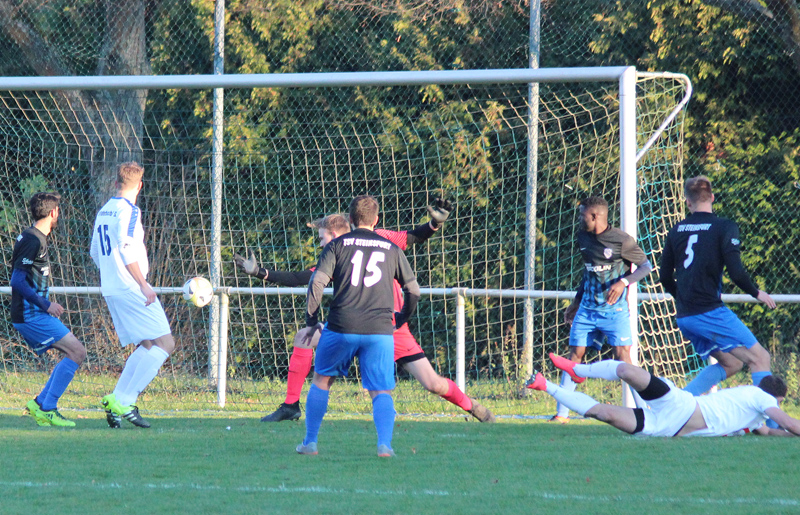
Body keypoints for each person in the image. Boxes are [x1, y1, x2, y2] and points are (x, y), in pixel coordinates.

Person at [234, 200, 495, 423]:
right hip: (374, 323)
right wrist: (260, 272)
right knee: (305, 339)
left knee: (433, 384)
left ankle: (472, 407)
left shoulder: (355, 244)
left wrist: (433, 226)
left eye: (322, 237)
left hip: (386, 326)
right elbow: (304, 276)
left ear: (336, 232)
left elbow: (413, 237)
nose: (321, 242)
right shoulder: (343, 249)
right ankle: (292, 406)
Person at [293, 194, 420, 457]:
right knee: (380, 389)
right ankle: (384, 445)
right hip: (380, 329)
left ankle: (310, 443)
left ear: (350, 220)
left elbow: (317, 283)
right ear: (376, 220)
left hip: (341, 325)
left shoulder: (338, 245)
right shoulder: (391, 249)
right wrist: (401, 319)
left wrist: (312, 322)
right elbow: (414, 290)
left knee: (322, 379)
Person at [660, 176, 776, 396]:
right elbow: (736, 272)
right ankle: (769, 424)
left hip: (685, 316)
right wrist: (756, 292)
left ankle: (679, 405)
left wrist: (683, 298)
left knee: (732, 364)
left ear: (688, 203)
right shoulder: (724, 227)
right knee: (760, 358)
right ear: (712, 197)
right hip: (709, 312)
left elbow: (665, 276)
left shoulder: (676, 230)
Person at [527, 353, 800, 437]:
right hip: (680, 404)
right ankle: (578, 369)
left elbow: (769, 432)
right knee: (627, 371)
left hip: (664, 427)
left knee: (603, 412)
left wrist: (787, 436)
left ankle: (545, 384)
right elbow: (787, 422)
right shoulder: (760, 396)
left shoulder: (754, 414)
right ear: (776, 398)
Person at [91, 162, 176, 429]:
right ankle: (126, 401)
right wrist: (142, 284)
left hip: (112, 287)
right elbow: (127, 248)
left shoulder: (104, 210)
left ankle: (116, 399)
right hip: (130, 287)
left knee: (148, 344)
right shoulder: (130, 211)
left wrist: (112, 275)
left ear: (116, 183)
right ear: (139, 185)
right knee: (166, 343)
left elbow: (95, 252)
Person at [553, 196, 653, 423]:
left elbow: (646, 266)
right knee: (574, 357)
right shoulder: (582, 238)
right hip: (587, 310)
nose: (580, 219)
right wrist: (577, 301)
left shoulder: (621, 240)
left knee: (623, 358)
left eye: (582, 215)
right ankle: (561, 415)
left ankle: (646, 412)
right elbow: (589, 272)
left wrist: (623, 282)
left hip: (614, 312)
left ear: (595, 216)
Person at [13, 192, 86, 427]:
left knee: (74, 352)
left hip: (33, 313)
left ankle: (41, 403)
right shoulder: (33, 240)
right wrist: (47, 305)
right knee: (77, 352)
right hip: (30, 315)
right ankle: (48, 407)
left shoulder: (34, 237)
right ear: (53, 212)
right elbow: (16, 281)